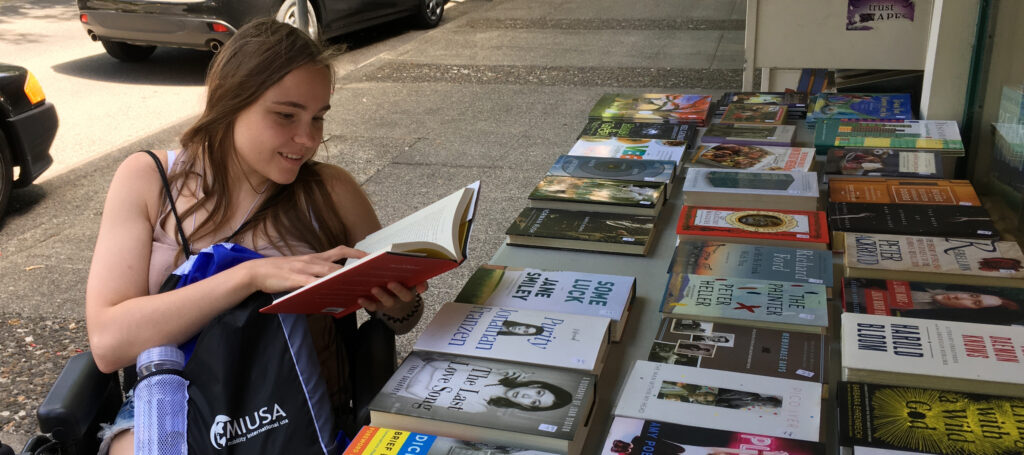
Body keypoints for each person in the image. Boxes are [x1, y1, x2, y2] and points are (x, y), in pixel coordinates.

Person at [85, 18, 426, 455]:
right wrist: (249, 277)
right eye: (286, 115)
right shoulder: (150, 180)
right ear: (231, 100)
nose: (307, 139)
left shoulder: (330, 192)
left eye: (318, 117)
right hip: (180, 402)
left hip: (302, 404)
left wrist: (398, 305)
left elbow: (402, 316)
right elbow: (110, 345)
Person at [395, 357, 573, 413]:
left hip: (394, 386)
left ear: (527, 406)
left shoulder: (479, 408)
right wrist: (500, 367)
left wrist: (429, 372)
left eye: (534, 402)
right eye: (539, 393)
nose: (528, 397)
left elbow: (415, 390)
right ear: (535, 385)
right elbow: (434, 361)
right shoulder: (496, 373)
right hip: (410, 362)